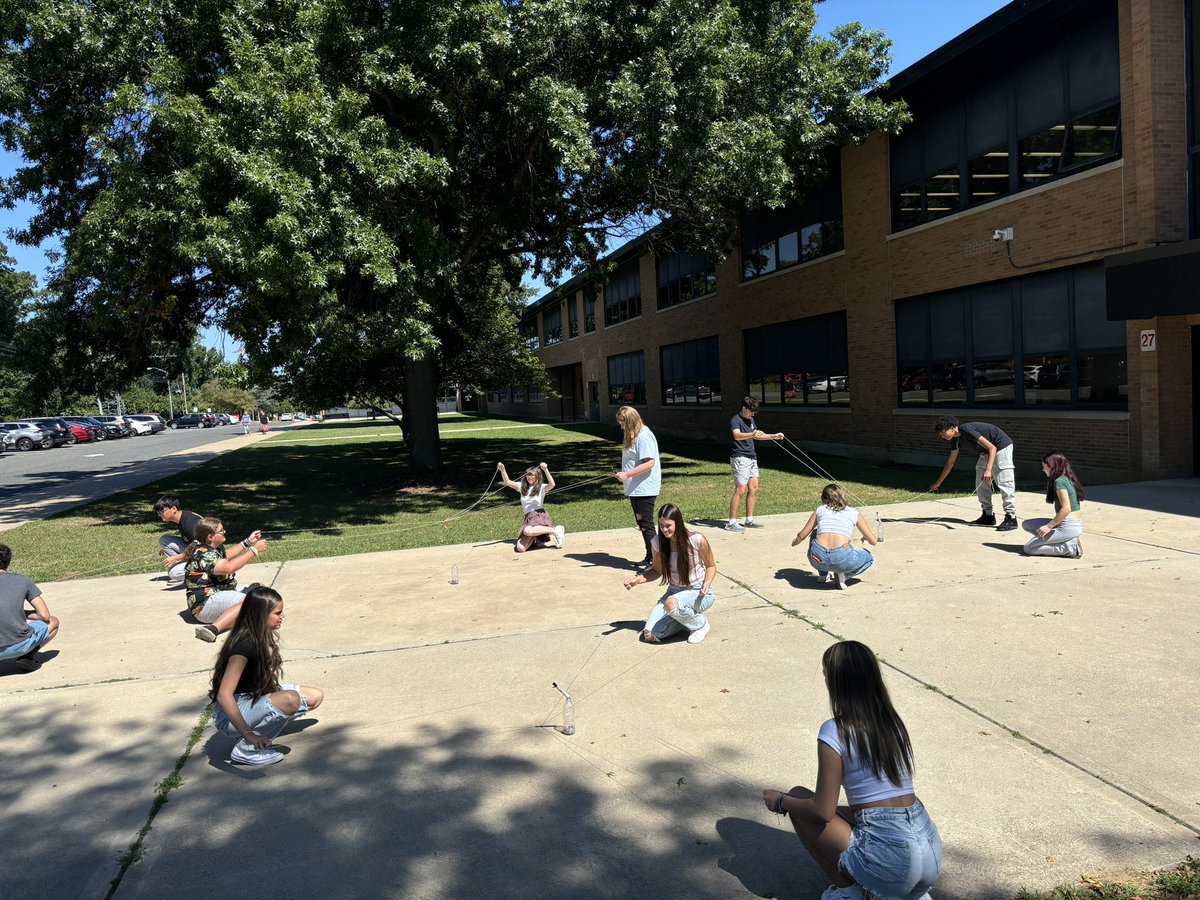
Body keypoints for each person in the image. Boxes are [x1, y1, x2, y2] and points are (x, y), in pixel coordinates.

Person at [761, 640, 942, 900]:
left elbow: (822, 811)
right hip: (930, 851)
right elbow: (880, 806)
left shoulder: (834, 731)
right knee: (841, 813)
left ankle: (850, 893)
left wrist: (780, 801)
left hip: (894, 864)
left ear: (835, 683)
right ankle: (911, 894)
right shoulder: (892, 722)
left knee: (800, 799)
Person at [209, 585, 324, 766]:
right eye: (278, 613)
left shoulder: (261, 635)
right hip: (231, 710)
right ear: (261, 614)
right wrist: (249, 733)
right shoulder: (243, 647)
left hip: (254, 696)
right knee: (290, 700)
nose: (282, 616)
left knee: (315, 697)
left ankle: (260, 729)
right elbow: (224, 695)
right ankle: (247, 748)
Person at [622, 503, 716, 644]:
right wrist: (637, 580)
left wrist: (707, 584)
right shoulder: (657, 543)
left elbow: (711, 566)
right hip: (674, 591)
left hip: (698, 592)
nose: (664, 530)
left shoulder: (696, 539)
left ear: (678, 522)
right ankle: (685, 620)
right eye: (661, 525)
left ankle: (700, 625)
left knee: (671, 604)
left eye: (668, 525)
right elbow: (657, 570)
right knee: (650, 634)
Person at [183, 517, 268, 643]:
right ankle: (212, 629)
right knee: (250, 601)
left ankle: (242, 617)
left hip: (219, 592)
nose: (225, 532)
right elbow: (229, 568)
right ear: (210, 537)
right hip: (205, 605)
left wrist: (248, 542)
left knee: (260, 591)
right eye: (221, 531)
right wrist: (254, 550)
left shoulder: (212, 549)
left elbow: (227, 554)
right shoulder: (204, 555)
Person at [929, 415, 1018, 531]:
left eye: (942, 432)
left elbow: (992, 448)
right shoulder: (955, 440)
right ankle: (988, 515)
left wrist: (989, 469)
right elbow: (950, 463)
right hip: (986, 452)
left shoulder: (967, 430)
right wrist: (938, 483)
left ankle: (1011, 517)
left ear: (952, 428)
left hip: (1001, 446)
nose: (941, 436)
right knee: (981, 482)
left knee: (1004, 481)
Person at [791, 484, 879, 589]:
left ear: (824, 498)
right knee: (869, 558)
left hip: (817, 559)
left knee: (815, 533)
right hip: (841, 558)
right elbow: (873, 541)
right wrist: (865, 536)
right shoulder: (854, 513)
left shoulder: (820, 510)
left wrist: (795, 541)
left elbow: (802, 535)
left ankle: (823, 575)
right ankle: (844, 576)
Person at [612, 406, 661, 572]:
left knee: (646, 525)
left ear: (630, 421)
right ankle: (650, 557)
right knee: (642, 524)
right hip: (635, 488)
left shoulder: (644, 436)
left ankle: (657, 561)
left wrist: (627, 475)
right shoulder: (633, 435)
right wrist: (622, 473)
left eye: (622, 423)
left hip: (645, 488)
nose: (621, 426)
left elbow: (650, 463)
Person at [726, 396, 784, 532]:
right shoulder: (736, 420)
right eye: (751, 411)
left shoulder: (751, 419)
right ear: (744, 408)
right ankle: (731, 522)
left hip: (752, 457)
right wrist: (752, 434)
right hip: (740, 457)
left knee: (754, 487)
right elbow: (737, 435)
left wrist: (774, 436)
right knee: (741, 489)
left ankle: (749, 519)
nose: (753, 414)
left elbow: (757, 435)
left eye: (754, 412)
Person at [0, 544, 59, 673]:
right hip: (20, 645)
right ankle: (26, 656)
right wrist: (21, 613)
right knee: (53, 621)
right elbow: (44, 616)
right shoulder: (23, 581)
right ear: (8, 562)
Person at [1022, 451, 1085, 558]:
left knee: (1029, 548)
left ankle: (1070, 547)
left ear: (1051, 466)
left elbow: (1066, 508)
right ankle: (1061, 540)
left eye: (1044, 467)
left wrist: (1048, 526)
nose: (1043, 470)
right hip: (1069, 524)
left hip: (1068, 526)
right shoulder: (1067, 478)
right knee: (1027, 525)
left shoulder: (1060, 482)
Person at [497, 461, 566, 551]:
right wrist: (503, 470)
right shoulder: (522, 486)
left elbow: (552, 484)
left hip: (539, 515)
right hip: (529, 517)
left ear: (537, 477)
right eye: (528, 475)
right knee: (520, 548)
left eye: (533, 475)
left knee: (527, 531)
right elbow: (507, 482)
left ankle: (555, 530)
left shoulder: (541, 487)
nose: (530, 477)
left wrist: (545, 469)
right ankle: (536, 537)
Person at [154, 494, 204, 584]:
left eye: (162, 511)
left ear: (173, 509)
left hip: (209, 556)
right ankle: (187, 568)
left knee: (174, 573)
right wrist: (168, 549)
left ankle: (203, 574)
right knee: (164, 540)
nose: (159, 514)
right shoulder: (182, 518)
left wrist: (175, 558)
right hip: (198, 549)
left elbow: (201, 550)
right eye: (158, 512)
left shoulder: (189, 523)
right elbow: (191, 542)